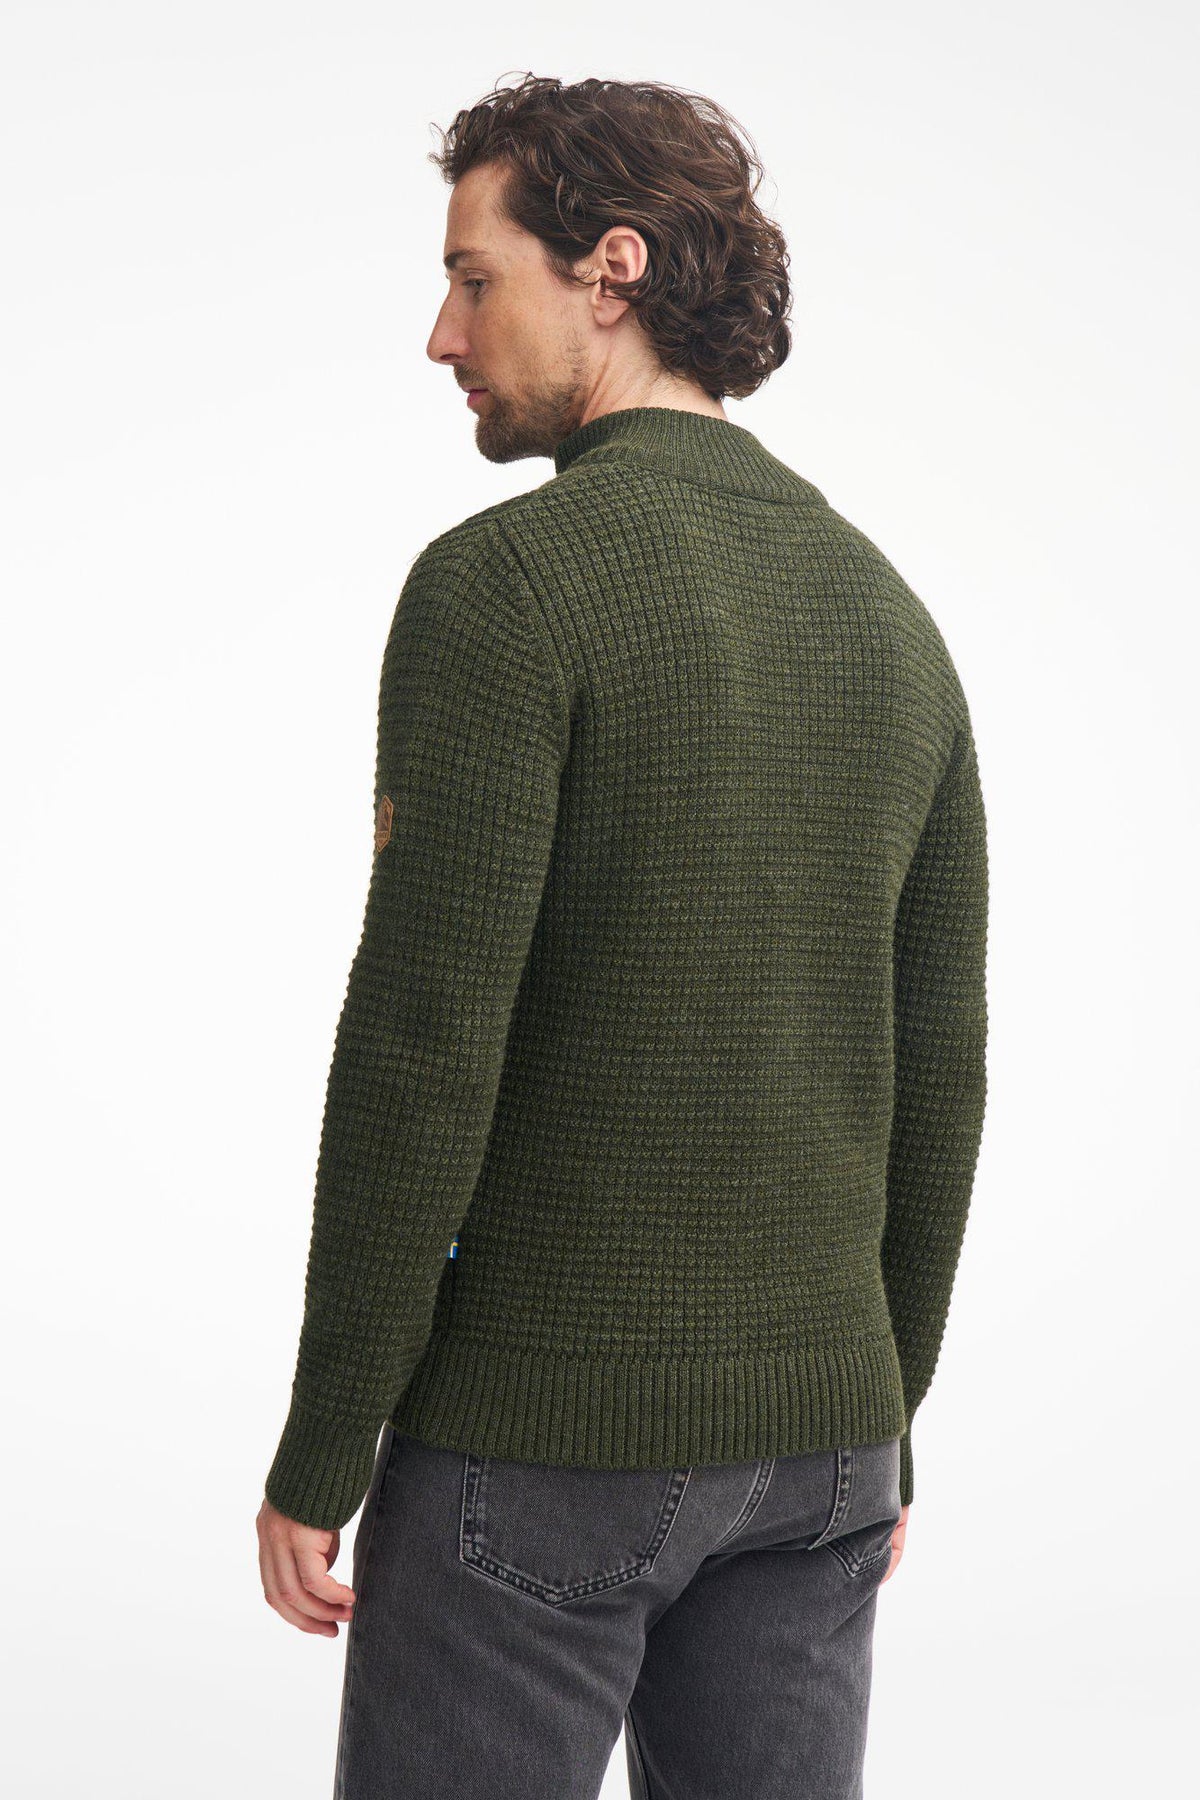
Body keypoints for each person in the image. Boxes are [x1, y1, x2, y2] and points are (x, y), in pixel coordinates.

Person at [256, 73, 989, 1800]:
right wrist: (884, 1418)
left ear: (612, 268)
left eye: (473, 277)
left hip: (544, 1440)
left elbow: (424, 1043)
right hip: (822, 1459)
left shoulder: (509, 587)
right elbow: (941, 1066)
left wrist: (324, 1440)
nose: (442, 335)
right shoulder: (891, 617)